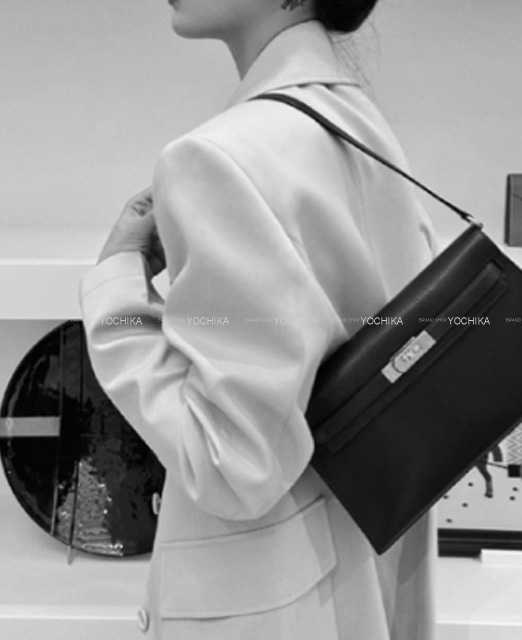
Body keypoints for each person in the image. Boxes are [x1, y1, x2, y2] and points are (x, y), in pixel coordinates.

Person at [80, 0, 439, 638]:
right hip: (359, 566)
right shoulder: (352, 117)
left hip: (271, 599)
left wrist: (115, 289)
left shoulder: (219, 155)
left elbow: (231, 466)